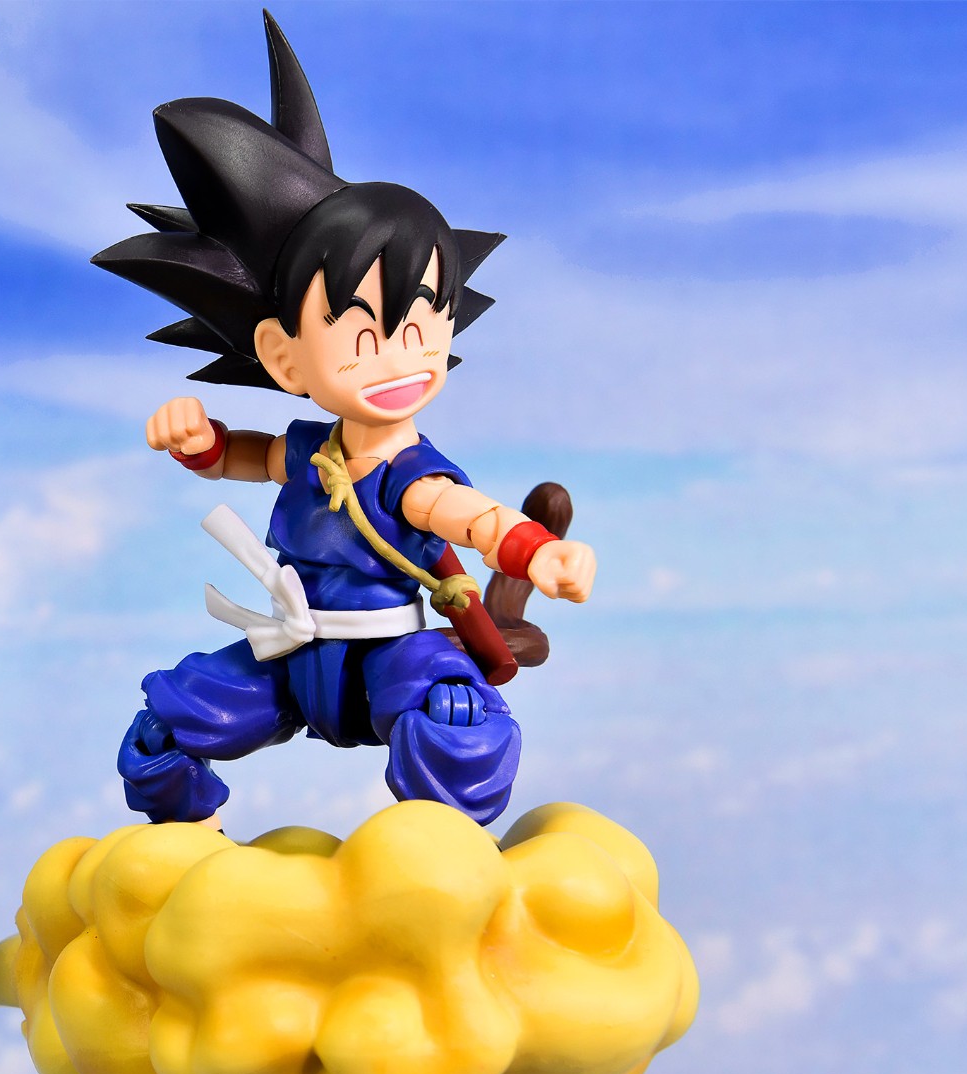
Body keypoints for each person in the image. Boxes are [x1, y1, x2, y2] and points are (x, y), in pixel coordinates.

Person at [94, 13, 595, 829]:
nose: (400, 360)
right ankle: (188, 848)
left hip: (393, 660)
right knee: (163, 730)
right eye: (364, 337)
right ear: (284, 357)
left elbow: (466, 516)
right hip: (292, 656)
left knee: (459, 721)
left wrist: (537, 551)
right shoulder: (309, 451)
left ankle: (443, 866)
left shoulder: (408, 473)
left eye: (422, 329)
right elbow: (248, 457)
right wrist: (200, 441)